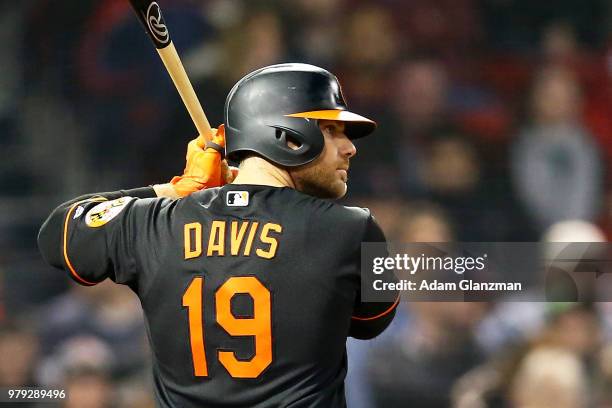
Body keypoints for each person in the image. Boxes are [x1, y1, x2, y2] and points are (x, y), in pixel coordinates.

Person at [38, 63, 399, 407]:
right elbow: (371, 322)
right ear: (289, 137)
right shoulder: (350, 229)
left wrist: (176, 190)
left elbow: (59, 234)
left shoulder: (156, 222)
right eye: (332, 130)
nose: (350, 147)